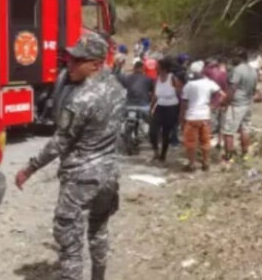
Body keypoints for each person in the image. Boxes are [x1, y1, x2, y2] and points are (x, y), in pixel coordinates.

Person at [15, 32, 126, 280]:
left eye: (77, 60)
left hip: (81, 178)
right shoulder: (117, 89)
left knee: (69, 245)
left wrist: (30, 168)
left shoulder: (82, 98)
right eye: (69, 59)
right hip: (108, 176)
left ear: (96, 63)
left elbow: (59, 143)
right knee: (99, 231)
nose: (70, 64)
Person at [179, 61, 226, 172]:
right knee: (205, 141)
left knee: (191, 142)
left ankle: (192, 164)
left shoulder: (188, 86)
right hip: (205, 116)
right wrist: (213, 106)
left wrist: (181, 117)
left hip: (191, 117)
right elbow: (223, 95)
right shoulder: (209, 83)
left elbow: (184, 104)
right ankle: (205, 163)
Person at [222, 50, 258, 164]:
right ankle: (245, 155)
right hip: (247, 103)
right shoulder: (253, 70)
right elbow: (254, 89)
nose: (233, 59)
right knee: (244, 129)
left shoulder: (237, 70)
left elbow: (232, 88)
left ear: (239, 58)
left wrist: (226, 102)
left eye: (234, 57)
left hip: (236, 104)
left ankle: (229, 158)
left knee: (228, 131)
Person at [149, 59, 182, 162]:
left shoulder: (173, 78)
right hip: (160, 107)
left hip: (171, 108)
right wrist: (151, 108)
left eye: (157, 66)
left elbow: (180, 94)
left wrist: (181, 111)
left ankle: (163, 155)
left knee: (166, 133)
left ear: (163, 68)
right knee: (152, 131)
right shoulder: (157, 79)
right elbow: (155, 96)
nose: (155, 67)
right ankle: (155, 151)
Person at [203, 58, 228, 147]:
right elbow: (226, 88)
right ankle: (219, 142)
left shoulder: (205, 72)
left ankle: (207, 143)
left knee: (209, 124)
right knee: (221, 123)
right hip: (222, 99)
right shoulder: (223, 74)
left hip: (211, 101)